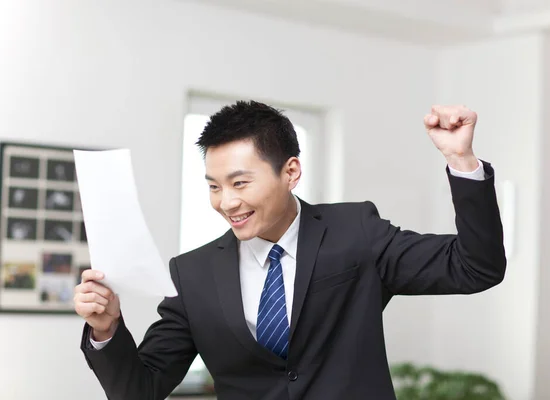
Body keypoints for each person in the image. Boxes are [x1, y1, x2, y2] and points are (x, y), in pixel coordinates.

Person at [75, 101, 506, 400]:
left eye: (240, 183)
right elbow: (139, 391)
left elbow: (475, 267)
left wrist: (462, 163)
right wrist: (106, 330)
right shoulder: (193, 274)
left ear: (291, 171)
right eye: (214, 186)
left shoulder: (356, 232)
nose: (227, 202)